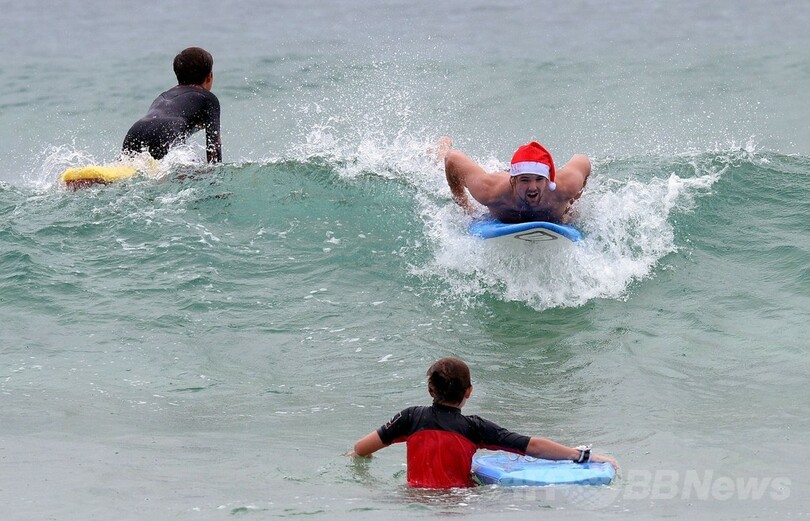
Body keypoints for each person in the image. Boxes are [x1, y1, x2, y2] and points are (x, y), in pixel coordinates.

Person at [348, 356, 618, 489]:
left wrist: (364, 456)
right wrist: (582, 455)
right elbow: (531, 446)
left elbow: (361, 448)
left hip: (413, 498)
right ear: (469, 392)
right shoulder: (473, 427)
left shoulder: (410, 418)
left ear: (431, 391)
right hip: (460, 503)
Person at [438, 136, 590, 224]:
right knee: (439, 163)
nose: (532, 187)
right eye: (525, 180)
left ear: (548, 179)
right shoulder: (489, 191)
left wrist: (571, 208)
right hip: (502, 179)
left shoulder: (565, 187)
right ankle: (440, 146)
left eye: (539, 179)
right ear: (513, 181)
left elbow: (583, 161)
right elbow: (452, 158)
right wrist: (466, 208)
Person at [122, 47, 222, 163]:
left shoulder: (163, 96)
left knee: (126, 171)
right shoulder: (208, 98)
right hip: (166, 131)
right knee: (189, 167)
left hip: (136, 130)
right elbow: (213, 146)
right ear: (210, 76)